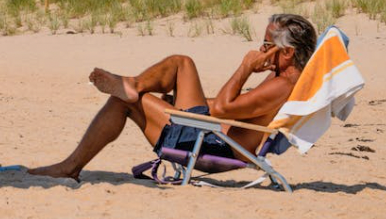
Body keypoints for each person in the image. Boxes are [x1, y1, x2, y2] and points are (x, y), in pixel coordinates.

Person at [28, 13, 318, 180]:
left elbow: (223, 109)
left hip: (212, 145)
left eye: (266, 44)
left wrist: (245, 67)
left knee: (124, 100)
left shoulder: (282, 85)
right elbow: (230, 108)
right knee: (182, 63)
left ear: (287, 52)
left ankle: (70, 167)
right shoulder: (282, 77)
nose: (260, 50)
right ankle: (134, 84)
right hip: (212, 133)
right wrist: (174, 103)